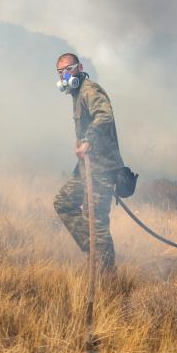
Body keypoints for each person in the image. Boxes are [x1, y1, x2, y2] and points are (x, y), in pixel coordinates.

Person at [52, 53, 123, 272]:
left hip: (101, 167)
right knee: (64, 202)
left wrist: (87, 142)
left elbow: (104, 116)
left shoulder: (90, 90)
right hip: (87, 166)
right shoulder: (77, 93)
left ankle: (106, 277)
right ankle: (95, 252)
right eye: (61, 72)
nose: (65, 75)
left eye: (69, 69)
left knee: (96, 221)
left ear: (80, 68)